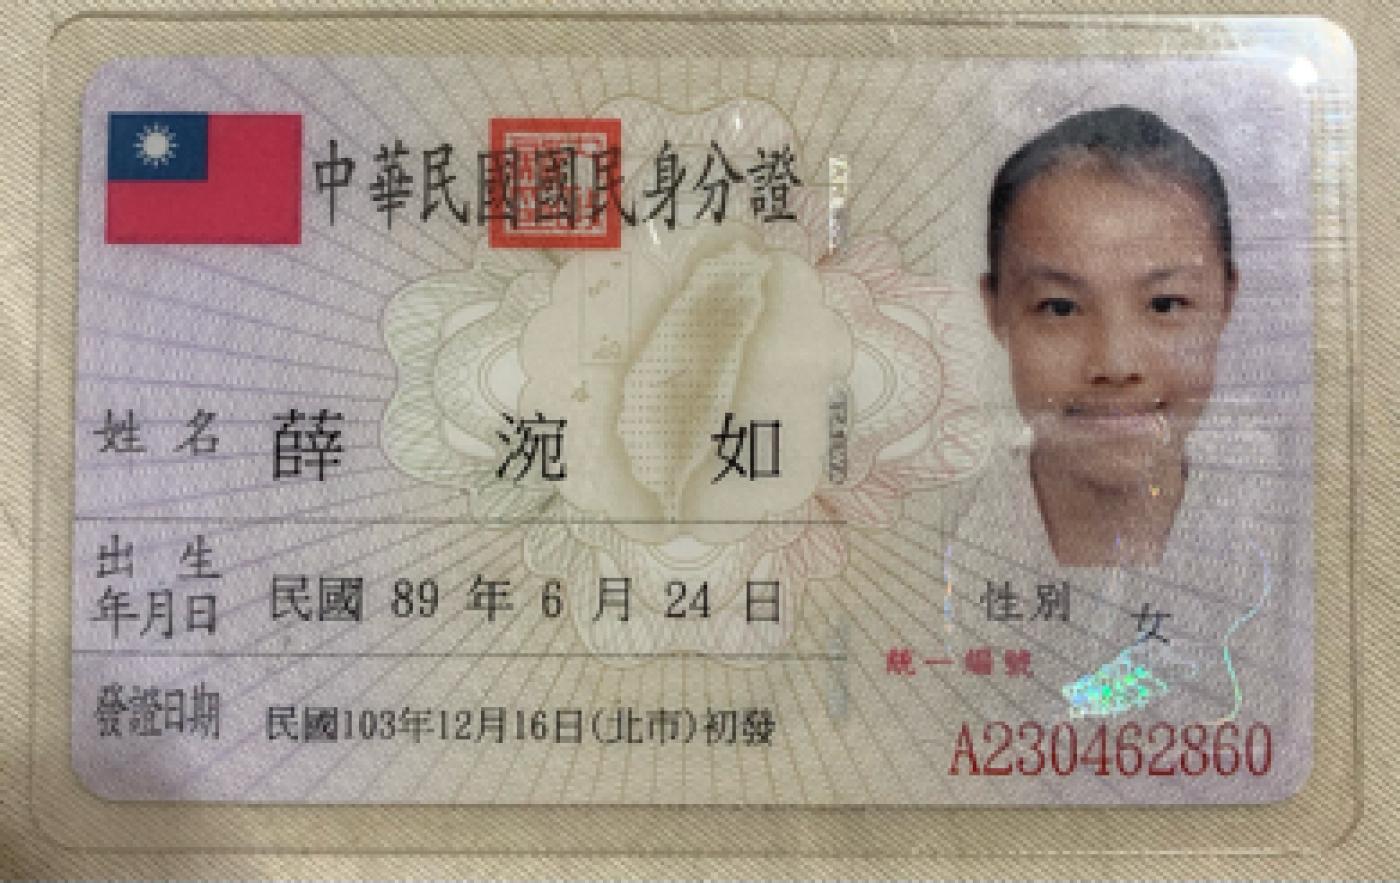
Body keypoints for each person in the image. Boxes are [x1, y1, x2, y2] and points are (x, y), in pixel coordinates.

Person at [979, 105, 1237, 567]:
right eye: (1061, 308)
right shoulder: (914, 537)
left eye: (1164, 305)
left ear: (1226, 301)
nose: (1116, 365)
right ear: (996, 308)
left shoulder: (1301, 533)